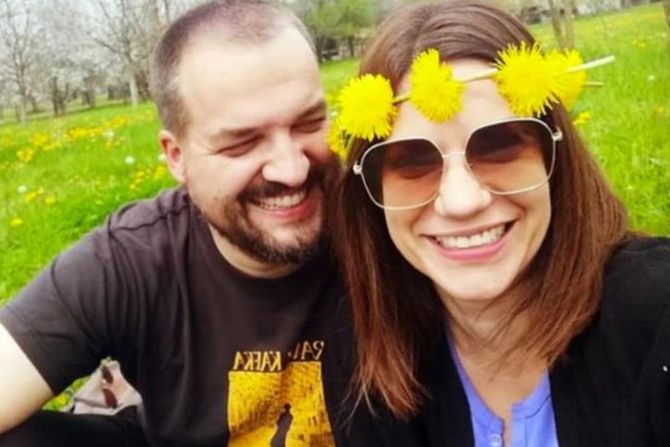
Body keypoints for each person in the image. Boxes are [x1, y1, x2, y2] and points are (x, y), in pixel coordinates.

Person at [0, 1, 355, 445]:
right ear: (177, 157)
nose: (292, 169)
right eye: (242, 143)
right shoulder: (132, 262)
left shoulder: (391, 226)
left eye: (310, 122)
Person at [330, 1, 670, 446]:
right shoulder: (362, 360)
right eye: (413, 161)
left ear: (554, 156)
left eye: (498, 146)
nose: (462, 201)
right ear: (371, 192)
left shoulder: (659, 315)